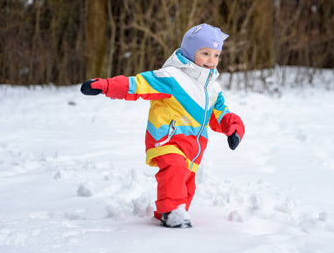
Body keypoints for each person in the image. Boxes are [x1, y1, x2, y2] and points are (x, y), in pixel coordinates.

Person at [80, 23, 245, 228]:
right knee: (174, 170)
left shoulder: (212, 88)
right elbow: (137, 85)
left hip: (192, 151)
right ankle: (172, 212)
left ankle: (168, 212)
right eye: (205, 53)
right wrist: (105, 86)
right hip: (167, 140)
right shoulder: (171, 77)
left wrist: (234, 128)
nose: (212, 60)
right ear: (190, 52)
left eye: (216, 55)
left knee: (186, 187)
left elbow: (220, 114)